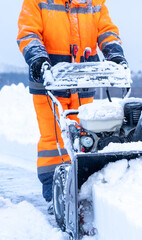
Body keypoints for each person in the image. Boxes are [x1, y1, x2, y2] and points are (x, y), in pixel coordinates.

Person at [17, 0, 127, 213]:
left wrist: (115, 53)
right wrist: (38, 59)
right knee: (54, 140)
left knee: (86, 135)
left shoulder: (94, 3)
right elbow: (28, 33)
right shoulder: (37, 2)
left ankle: (84, 187)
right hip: (48, 82)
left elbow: (106, 31)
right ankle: (54, 194)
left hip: (82, 82)